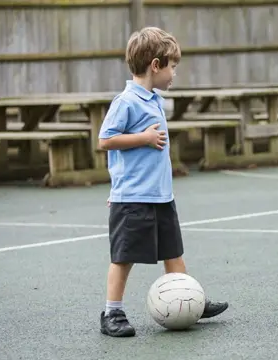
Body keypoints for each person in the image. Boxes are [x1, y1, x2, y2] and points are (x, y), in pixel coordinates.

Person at [97, 27, 228, 337]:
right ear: (155, 65)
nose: (174, 74)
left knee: (173, 252)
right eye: (172, 67)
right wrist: (143, 138)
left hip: (161, 196)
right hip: (133, 198)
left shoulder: (154, 99)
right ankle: (111, 313)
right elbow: (105, 140)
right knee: (124, 257)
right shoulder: (126, 101)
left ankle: (189, 298)